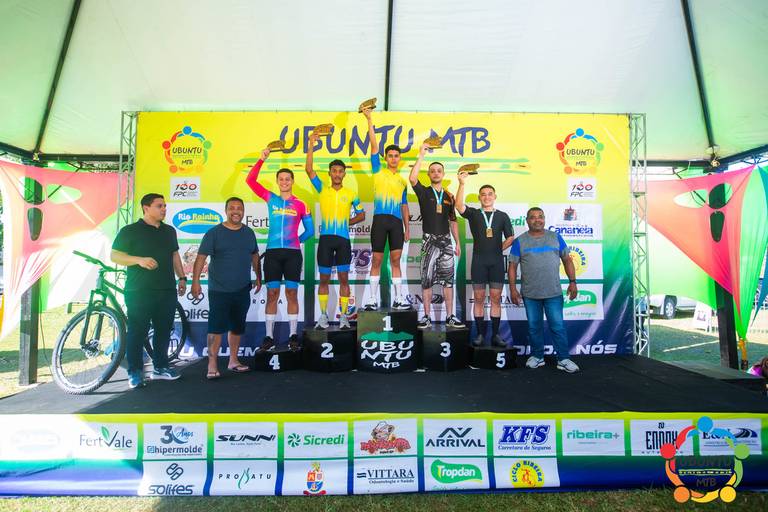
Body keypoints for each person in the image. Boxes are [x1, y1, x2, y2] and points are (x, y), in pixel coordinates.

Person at [111, 193, 186, 389]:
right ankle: (135, 372)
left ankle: (160, 367)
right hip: (139, 290)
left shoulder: (169, 231)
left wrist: (182, 277)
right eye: (159, 206)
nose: (164, 209)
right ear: (146, 208)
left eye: (165, 206)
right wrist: (139, 260)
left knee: (164, 330)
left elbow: (175, 255)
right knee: (137, 331)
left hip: (166, 289)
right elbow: (115, 256)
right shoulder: (130, 230)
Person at [246, 147, 314, 352]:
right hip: (273, 253)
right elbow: (250, 181)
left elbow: (310, 231)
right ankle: (268, 337)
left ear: (293, 181)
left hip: (292, 254)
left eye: (287, 179)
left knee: (292, 293)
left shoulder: (301, 204)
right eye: (281, 179)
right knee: (272, 293)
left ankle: (293, 335)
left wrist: (295, 242)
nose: (284, 182)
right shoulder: (271, 198)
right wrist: (261, 159)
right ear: (277, 182)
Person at [191, 197, 262, 379]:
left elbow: (255, 255)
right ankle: (212, 364)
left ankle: (233, 361)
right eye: (232, 208)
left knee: (237, 327)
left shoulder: (249, 233)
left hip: (242, 289)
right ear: (226, 211)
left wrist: (258, 276)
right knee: (215, 328)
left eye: (239, 208)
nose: (236, 211)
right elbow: (201, 258)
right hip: (219, 290)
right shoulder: (214, 233)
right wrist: (195, 281)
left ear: (243, 211)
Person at [305, 131, 365, 329]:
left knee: (344, 279)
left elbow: (362, 215)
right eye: (334, 171)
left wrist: (346, 223)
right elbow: (308, 169)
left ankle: (344, 316)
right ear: (330, 173)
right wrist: (311, 144)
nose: (337, 174)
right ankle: (323, 316)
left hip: (343, 240)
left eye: (340, 171)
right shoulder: (323, 189)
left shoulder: (351, 194)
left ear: (344, 174)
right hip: (326, 240)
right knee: (323, 279)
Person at [508, 207, 580, 373]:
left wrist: (573, 282)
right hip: (530, 294)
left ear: (544, 219)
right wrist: (512, 289)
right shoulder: (520, 241)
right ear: (527, 221)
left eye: (540, 216)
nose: (537, 220)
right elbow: (512, 266)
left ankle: (563, 359)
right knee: (534, 327)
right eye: (533, 217)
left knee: (558, 327)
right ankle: (537, 356)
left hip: (553, 293)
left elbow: (567, 260)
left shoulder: (555, 237)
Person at [408, 142, 464, 329]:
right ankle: (426, 316)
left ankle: (450, 316)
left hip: (447, 242)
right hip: (428, 241)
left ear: (443, 174)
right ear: (429, 174)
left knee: (448, 281)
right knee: (427, 280)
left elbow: (453, 221)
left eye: (439, 171)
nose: (436, 173)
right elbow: (412, 179)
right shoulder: (424, 192)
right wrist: (421, 155)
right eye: (432, 171)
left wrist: (458, 242)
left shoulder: (449, 196)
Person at [455, 172, 514, 347]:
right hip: (479, 262)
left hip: (496, 262)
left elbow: (510, 237)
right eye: (483, 194)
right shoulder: (474, 214)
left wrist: (497, 249)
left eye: (490, 194)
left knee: (495, 298)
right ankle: (480, 334)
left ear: (495, 197)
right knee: (479, 298)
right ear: (479, 198)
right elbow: (458, 206)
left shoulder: (502, 216)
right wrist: (462, 183)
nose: (486, 197)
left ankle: (495, 335)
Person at [361, 107, 410, 311]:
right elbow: (374, 145)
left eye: (396, 156)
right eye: (390, 155)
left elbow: (404, 205)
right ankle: (372, 299)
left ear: (399, 159)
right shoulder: (378, 171)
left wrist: (407, 228)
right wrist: (369, 118)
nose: (393, 158)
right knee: (377, 259)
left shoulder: (403, 181)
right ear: (385, 158)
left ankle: (399, 298)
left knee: (396, 260)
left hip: (396, 222)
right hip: (380, 220)